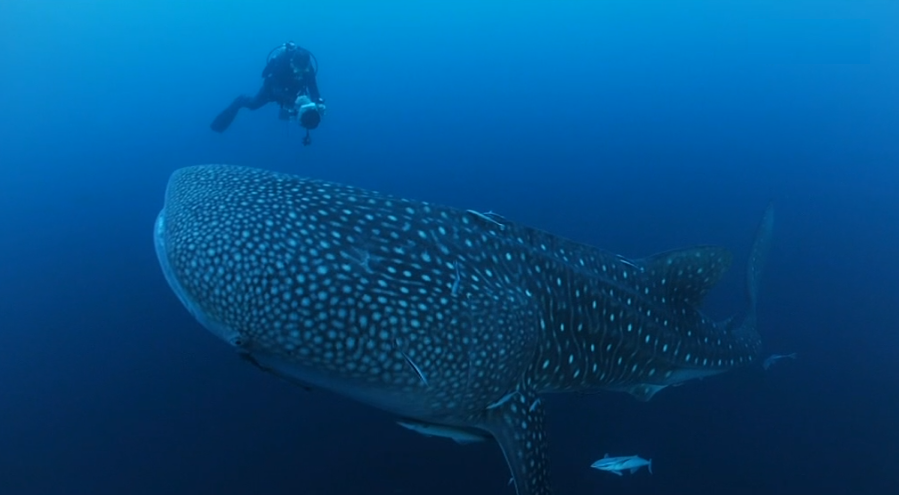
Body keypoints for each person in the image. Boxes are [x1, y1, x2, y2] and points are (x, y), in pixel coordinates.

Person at [210, 41, 326, 145]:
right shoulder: (282, 62)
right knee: (253, 105)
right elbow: (275, 88)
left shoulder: (308, 68)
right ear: (292, 62)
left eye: (303, 71)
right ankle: (240, 101)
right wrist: (293, 101)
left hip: (293, 93)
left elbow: (313, 86)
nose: (299, 73)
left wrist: (318, 102)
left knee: (298, 111)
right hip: (272, 90)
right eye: (297, 69)